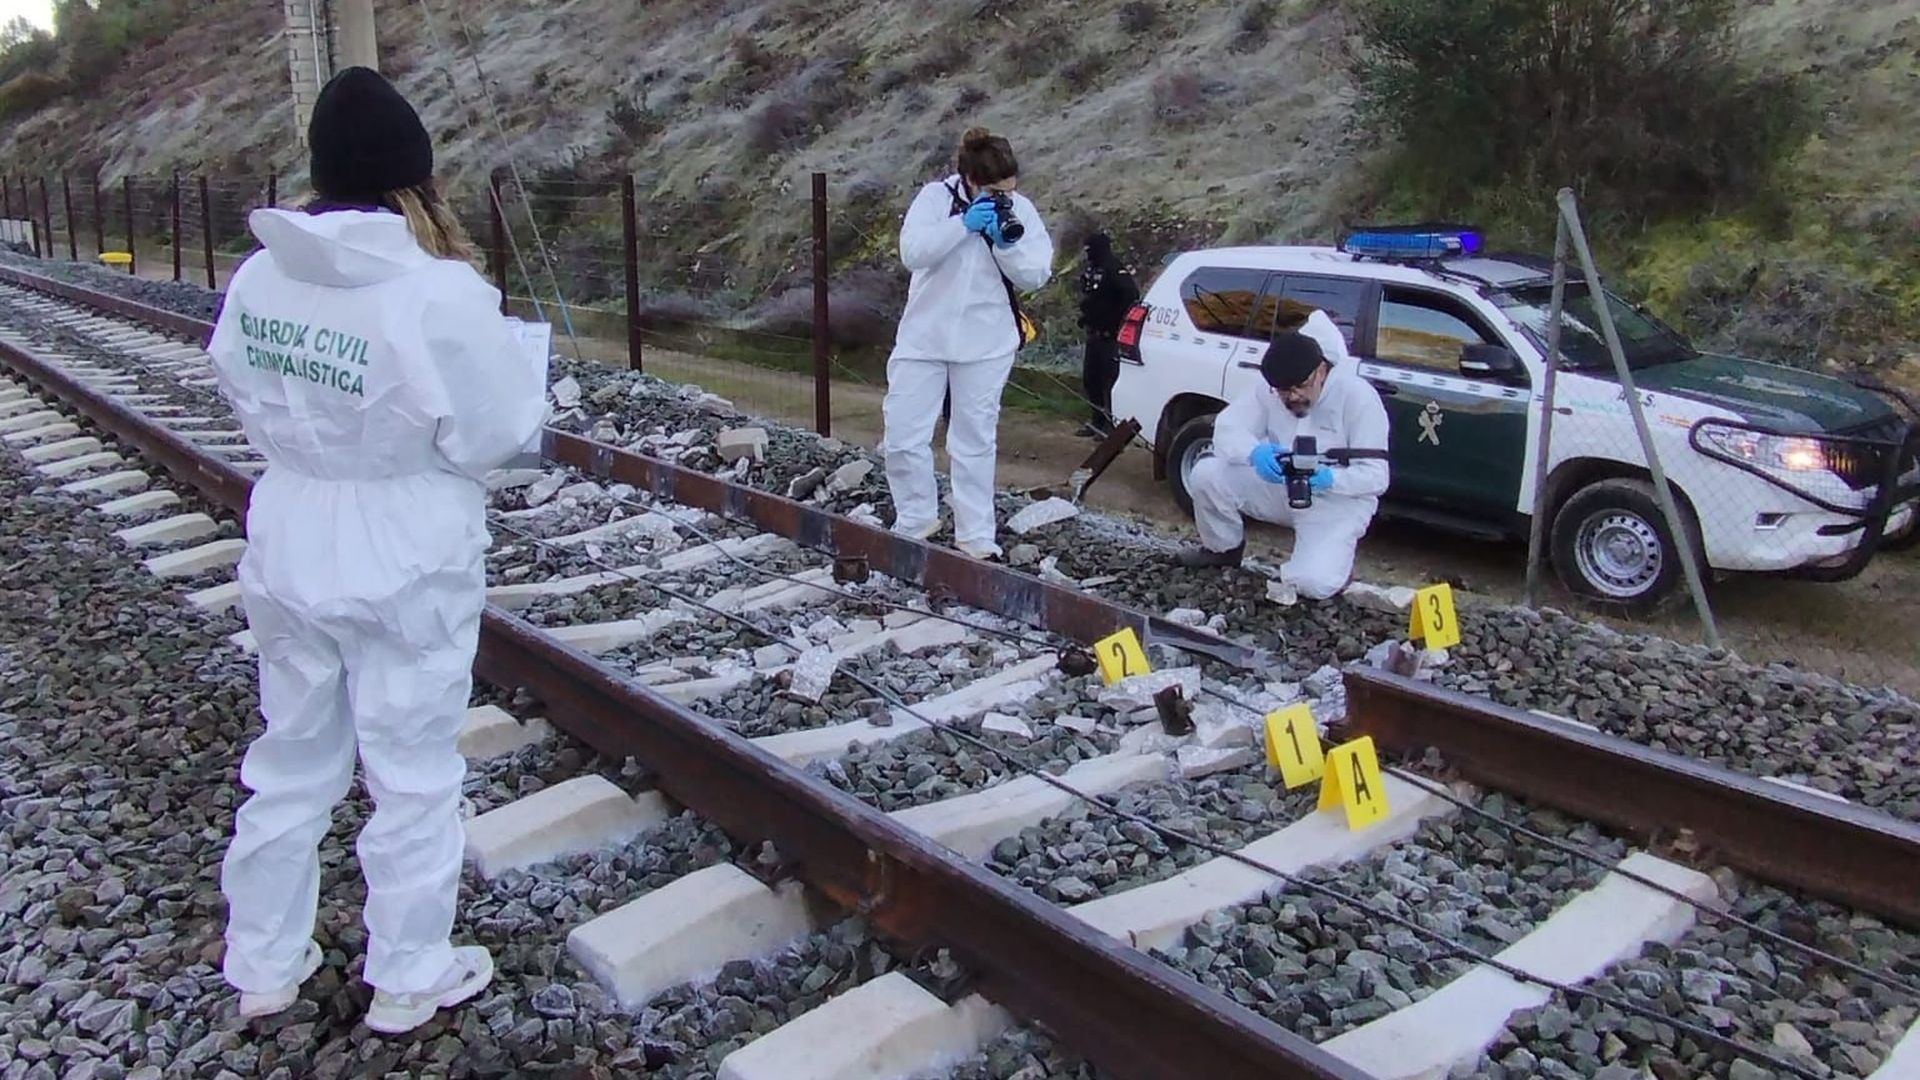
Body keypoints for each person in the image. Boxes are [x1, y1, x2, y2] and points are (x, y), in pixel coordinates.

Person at [206, 68, 546, 1034]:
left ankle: (264, 963)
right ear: (416, 181)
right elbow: (495, 437)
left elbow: (239, 386)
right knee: (412, 769)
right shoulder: (440, 294)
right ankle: (407, 975)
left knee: (289, 757)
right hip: (407, 547)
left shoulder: (262, 275)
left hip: (291, 529)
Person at [882, 127, 1055, 560]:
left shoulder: (1022, 210)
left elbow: (1034, 275)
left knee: (973, 440)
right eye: (996, 191)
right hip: (924, 337)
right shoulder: (935, 199)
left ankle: (976, 536)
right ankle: (916, 516)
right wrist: (963, 225)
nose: (1006, 198)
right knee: (903, 434)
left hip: (986, 342)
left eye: (1010, 189)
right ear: (971, 182)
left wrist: (1004, 243)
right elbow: (913, 252)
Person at [1174, 310, 1390, 599]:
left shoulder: (1358, 397)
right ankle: (1222, 550)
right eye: (1283, 391)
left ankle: (1332, 563)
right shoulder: (1271, 390)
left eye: (1299, 387)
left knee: (1311, 584)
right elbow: (1227, 429)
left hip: (1336, 502)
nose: (1292, 397)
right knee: (1205, 474)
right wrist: (1254, 453)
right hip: (1281, 487)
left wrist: (1328, 478)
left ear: (1322, 370)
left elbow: (1377, 477)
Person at [1075, 232, 1139, 437]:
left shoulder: (1113, 268)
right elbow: (1092, 297)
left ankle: (1111, 425)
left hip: (1110, 336)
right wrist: (1087, 316)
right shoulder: (1093, 268)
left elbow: (1131, 295)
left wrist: (1115, 321)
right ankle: (1097, 422)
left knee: (1108, 382)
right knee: (1091, 380)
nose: (1088, 254)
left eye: (1090, 250)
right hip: (1094, 333)